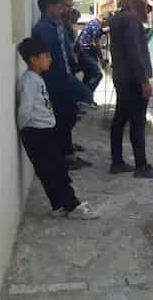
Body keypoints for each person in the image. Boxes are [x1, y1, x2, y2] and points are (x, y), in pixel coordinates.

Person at [16, 36, 98, 220]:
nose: (50, 59)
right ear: (33, 59)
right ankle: (73, 206)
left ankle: (58, 205)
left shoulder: (36, 78)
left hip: (44, 131)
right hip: (37, 133)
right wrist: (24, 129)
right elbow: (25, 110)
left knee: (52, 170)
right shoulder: (30, 80)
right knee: (55, 172)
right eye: (46, 56)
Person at [108, 0, 153, 178]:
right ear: (138, 2)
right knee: (137, 123)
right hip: (132, 80)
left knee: (120, 121)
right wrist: (144, 81)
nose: (148, 12)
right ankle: (141, 166)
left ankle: (117, 162)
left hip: (122, 78)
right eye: (148, 8)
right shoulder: (131, 20)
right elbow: (135, 54)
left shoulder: (118, 18)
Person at [32, 0, 91, 170]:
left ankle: (66, 151)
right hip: (55, 81)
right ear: (51, 8)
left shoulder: (55, 25)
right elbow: (46, 57)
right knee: (64, 117)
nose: (63, 10)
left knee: (69, 115)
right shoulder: (44, 29)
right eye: (60, 7)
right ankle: (64, 156)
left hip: (64, 78)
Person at [76, 13, 110, 93]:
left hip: (85, 52)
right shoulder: (97, 25)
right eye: (108, 22)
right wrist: (101, 60)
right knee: (97, 75)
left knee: (88, 77)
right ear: (104, 19)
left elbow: (99, 32)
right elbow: (96, 43)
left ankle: (86, 99)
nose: (107, 24)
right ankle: (85, 94)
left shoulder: (94, 23)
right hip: (86, 52)